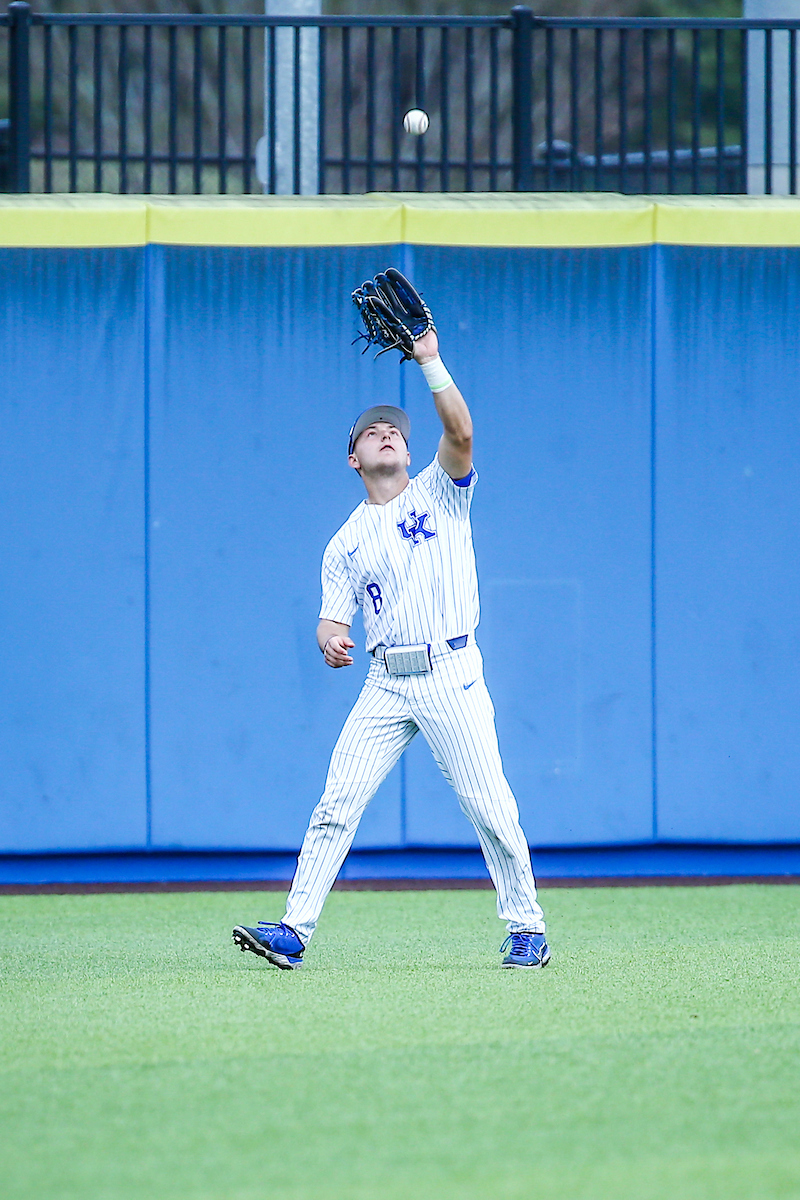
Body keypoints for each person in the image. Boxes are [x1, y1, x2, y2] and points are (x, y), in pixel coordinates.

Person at [233, 322, 549, 970]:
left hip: (450, 669)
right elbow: (329, 620)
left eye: (395, 430)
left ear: (407, 453)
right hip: (384, 681)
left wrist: (429, 360)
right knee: (335, 802)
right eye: (372, 430)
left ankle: (528, 927)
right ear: (354, 458)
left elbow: (460, 434)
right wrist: (330, 639)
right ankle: (294, 929)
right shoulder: (344, 541)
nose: (386, 433)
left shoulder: (440, 491)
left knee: (488, 806)